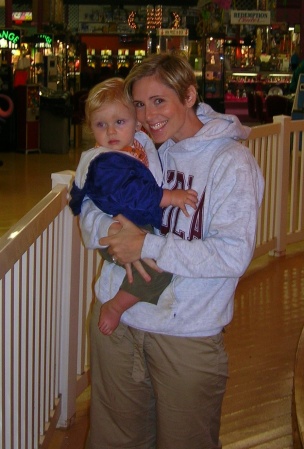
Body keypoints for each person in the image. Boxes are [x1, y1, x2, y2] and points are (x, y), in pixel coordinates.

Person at [80, 54, 265, 449]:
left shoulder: (231, 163)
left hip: (186, 336)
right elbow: (89, 206)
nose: (148, 116)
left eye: (159, 101)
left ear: (189, 94)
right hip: (118, 326)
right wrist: (110, 232)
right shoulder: (138, 146)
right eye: (140, 105)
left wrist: (146, 244)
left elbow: (232, 255)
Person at [69, 78, 197, 335]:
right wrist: (170, 197)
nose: (111, 132)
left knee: (157, 268)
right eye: (101, 125)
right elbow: (132, 196)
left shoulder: (134, 147)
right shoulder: (107, 162)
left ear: (136, 122)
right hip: (121, 229)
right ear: (90, 128)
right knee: (160, 272)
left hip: (132, 226)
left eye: (119, 122)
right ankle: (116, 307)